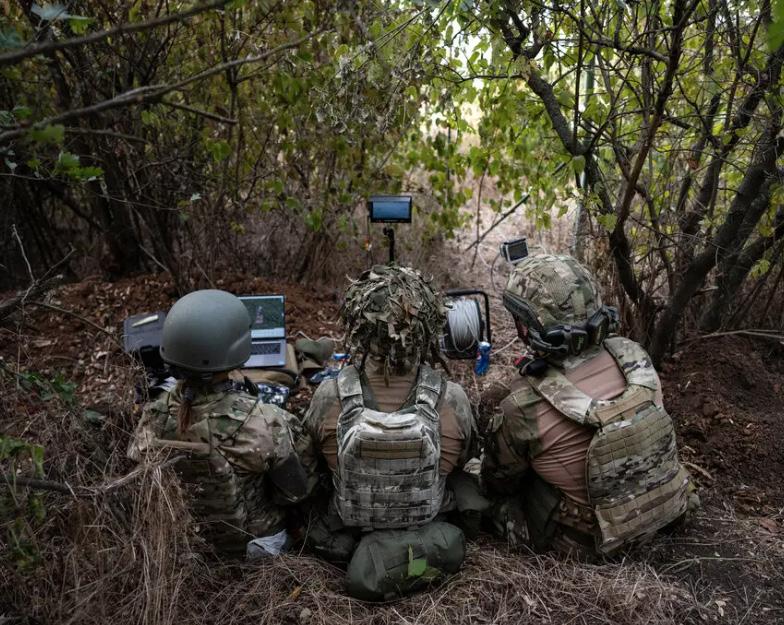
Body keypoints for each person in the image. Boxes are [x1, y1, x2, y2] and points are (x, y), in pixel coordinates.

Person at [482, 254, 697, 558]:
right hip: (666, 509)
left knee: (491, 494)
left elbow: (499, 482)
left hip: (590, 542)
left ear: (527, 327)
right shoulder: (633, 356)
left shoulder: (523, 405)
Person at [303, 264, 482, 600]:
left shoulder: (329, 396)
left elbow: (310, 466)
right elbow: (465, 460)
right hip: (426, 528)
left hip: (350, 532)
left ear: (358, 327)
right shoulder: (453, 399)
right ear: (428, 329)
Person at [127, 289, 315, 558]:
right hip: (253, 546)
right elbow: (295, 492)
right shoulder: (265, 421)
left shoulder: (152, 415)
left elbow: (141, 477)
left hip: (184, 544)